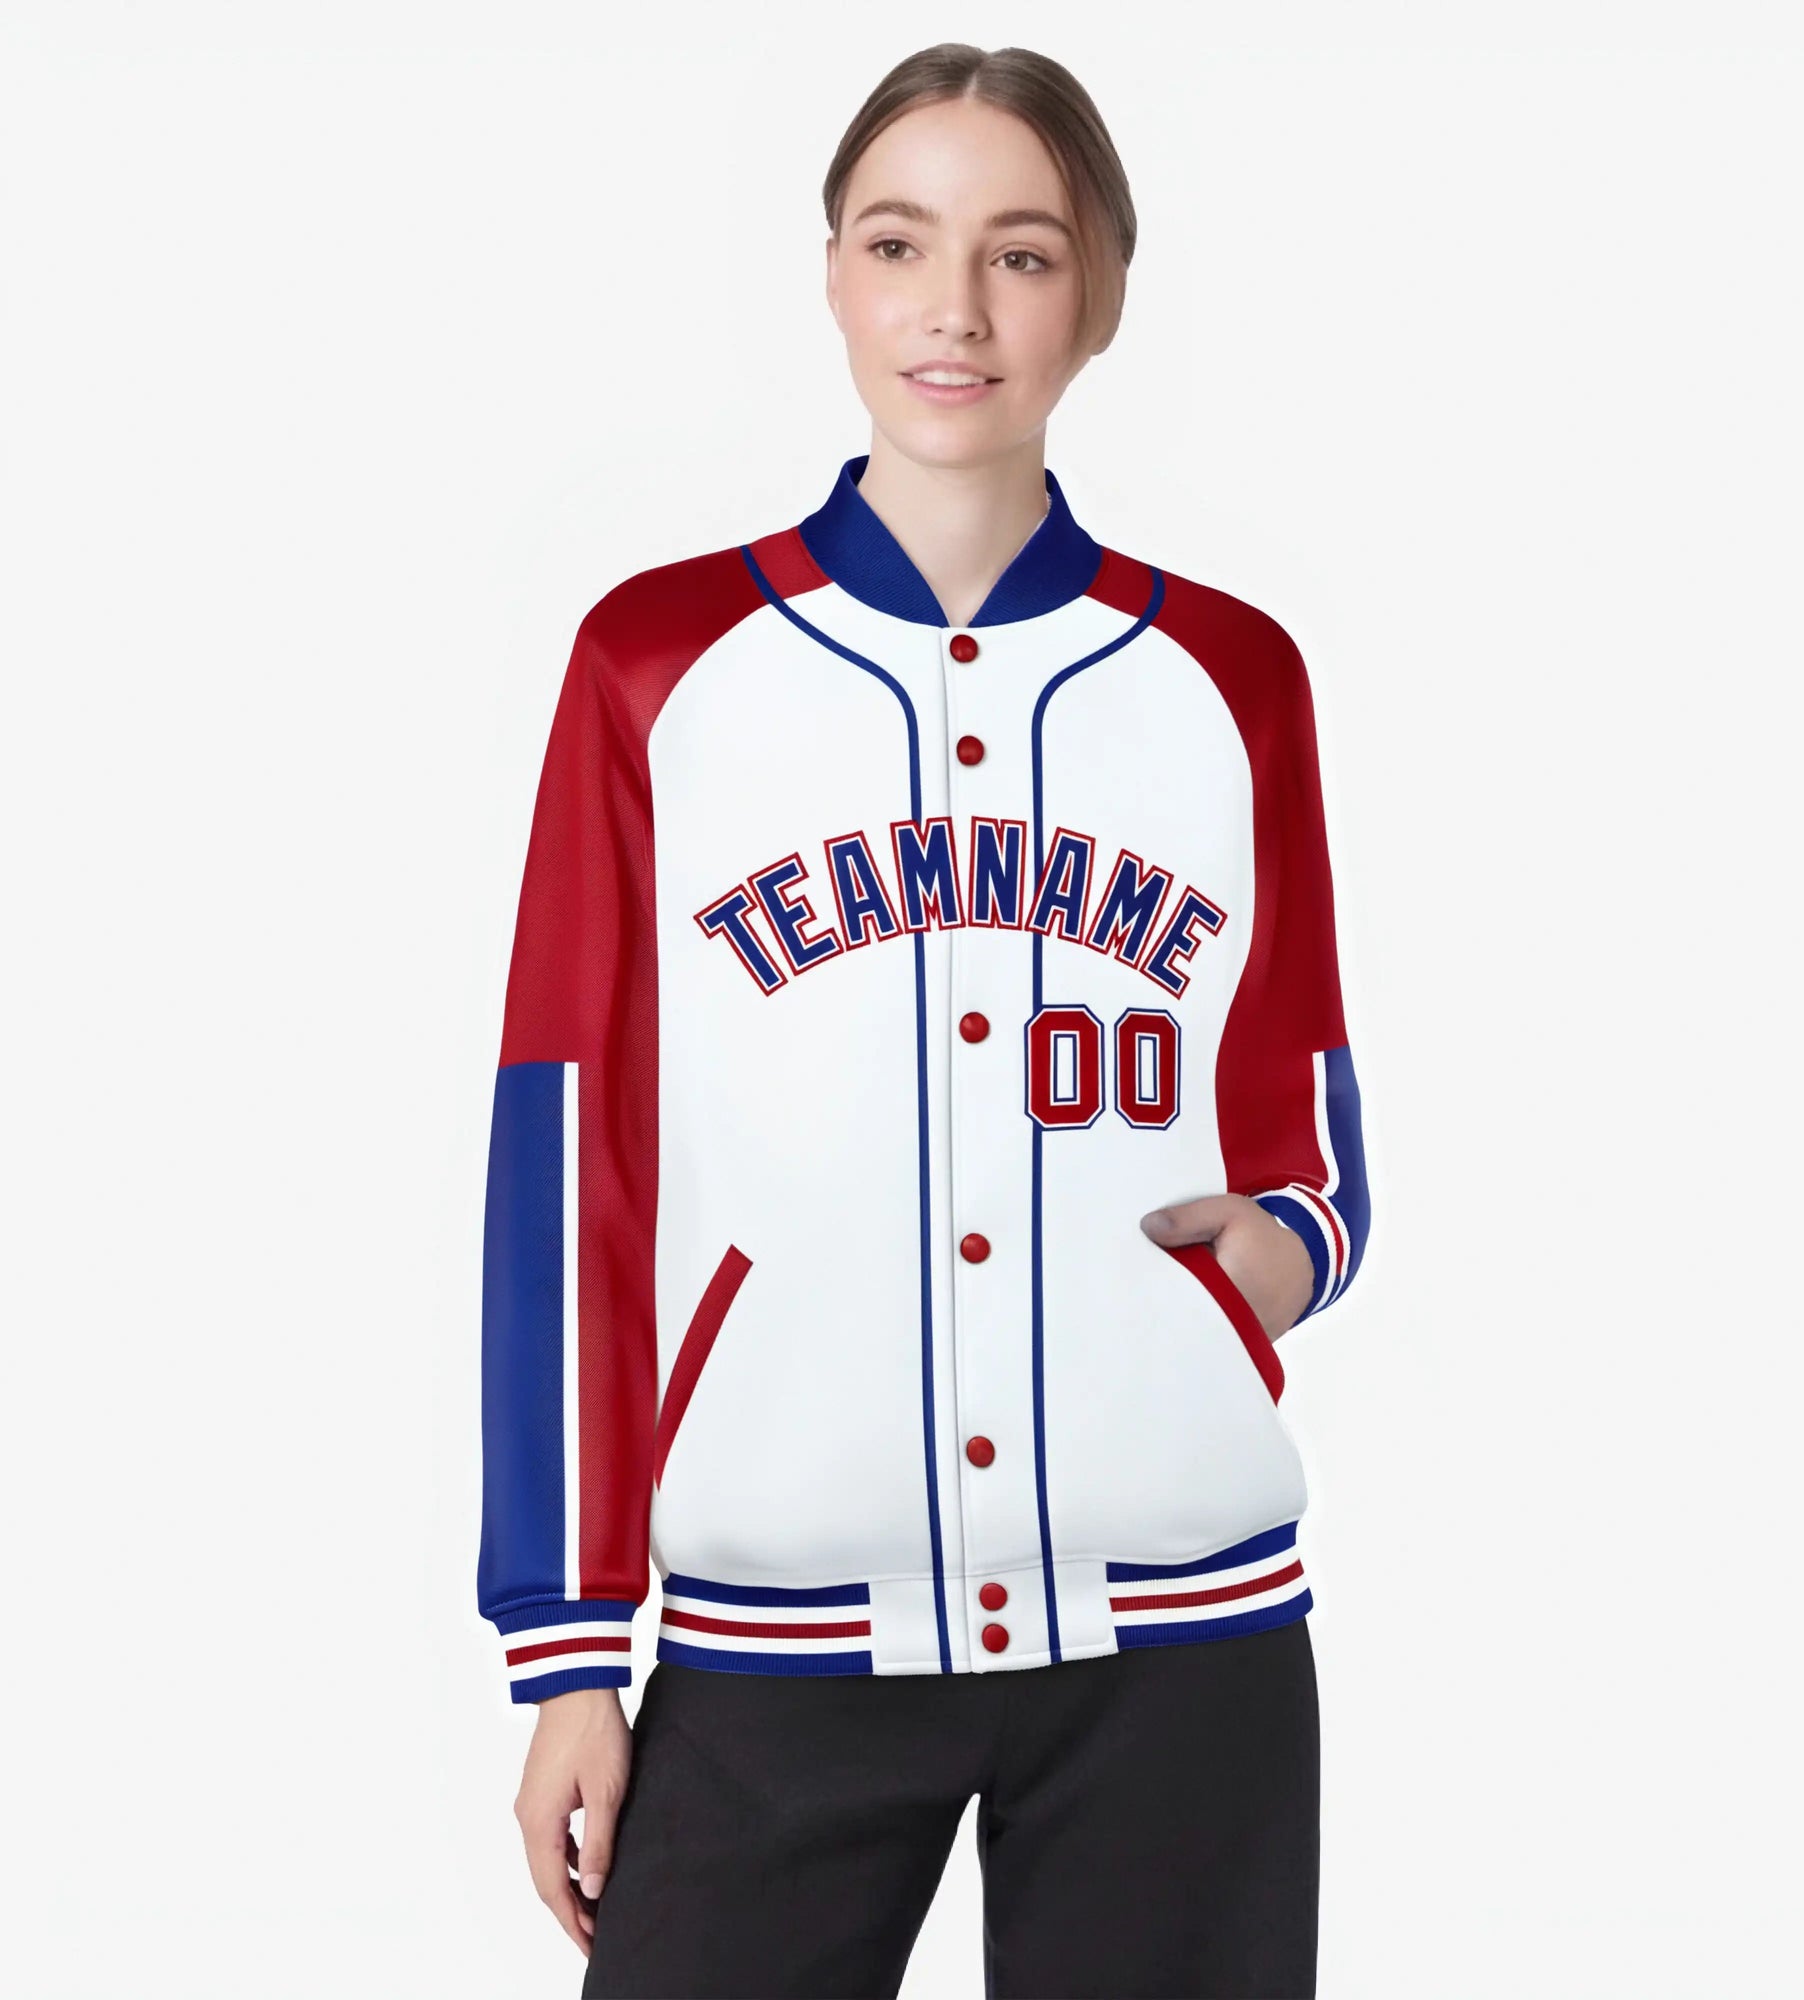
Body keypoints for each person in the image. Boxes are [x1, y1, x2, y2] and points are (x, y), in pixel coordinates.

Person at [476, 40, 1372, 2000]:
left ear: (1100, 294)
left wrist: (1273, 1262)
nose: (953, 306)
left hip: (1182, 1633)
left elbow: (1309, 1122)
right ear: (832, 274)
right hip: (780, 1614)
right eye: (900, 243)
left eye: (1021, 253)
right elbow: (569, 1160)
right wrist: (567, 1647)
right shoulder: (659, 664)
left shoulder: (1230, 678)